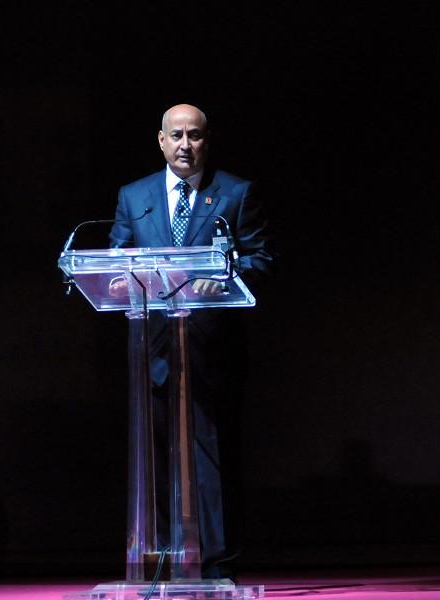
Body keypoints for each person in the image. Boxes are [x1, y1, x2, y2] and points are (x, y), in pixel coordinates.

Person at [109, 103, 275, 580]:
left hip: (212, 351)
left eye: (195, 135)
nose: (186, 145)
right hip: (153, 351)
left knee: (211, 457)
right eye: (177, 135)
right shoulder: (133, 196)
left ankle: (216, 561)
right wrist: (123, 281)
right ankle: (161, 558)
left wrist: (225, 274)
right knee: (157, 459)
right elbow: (119, 260)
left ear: (207, 140)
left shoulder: (235, 194)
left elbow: (263, 259)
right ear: (160, 140)